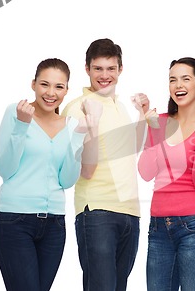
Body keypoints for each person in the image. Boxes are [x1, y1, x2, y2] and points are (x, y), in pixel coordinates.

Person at [0, 58, 101, 291]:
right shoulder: (15, 112)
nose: (51, 93)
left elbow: (67, 180)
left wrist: (77, 138)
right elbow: (5, 169)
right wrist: (22, 126)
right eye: (44, 84)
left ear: (66, 90)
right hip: (15, 220)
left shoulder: (72, 124)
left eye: (59, 87)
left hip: (54, 225)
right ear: (33, 84)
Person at [62, 38, 150, 291]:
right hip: (97, 209)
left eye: (111, 68)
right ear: (87, 69)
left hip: (130, 212)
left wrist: (141, 114)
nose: (104, 75)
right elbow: (82, 167)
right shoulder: (76, 108)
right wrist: (92, 124)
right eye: (98, 68)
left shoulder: (119, 106)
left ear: (120, 70)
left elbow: (131, 148)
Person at [138, 57, 195, 291]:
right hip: (158, 226)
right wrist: (153, 132)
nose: (178, 85)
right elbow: (146, 172)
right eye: (172, 80)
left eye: (186, 79)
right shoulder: (161, 121)